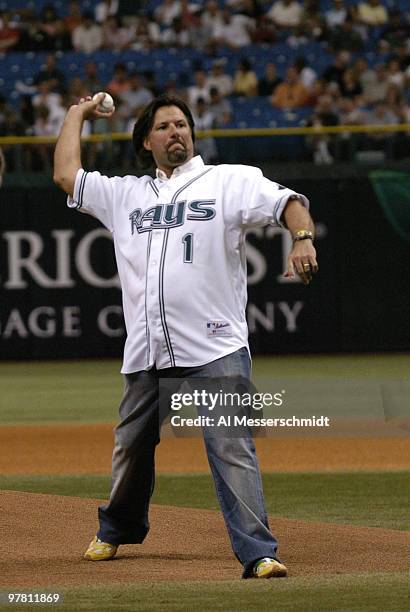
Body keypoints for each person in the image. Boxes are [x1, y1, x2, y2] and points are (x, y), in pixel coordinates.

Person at [53, 93, 318, 579]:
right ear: (147, 141)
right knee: (131, 446)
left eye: (182, 124)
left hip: (215, 345)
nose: (176, 131)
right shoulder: (126, 195)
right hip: (147, 349)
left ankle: (259, 552)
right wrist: (76, 115)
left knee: (230, 444)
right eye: (164, 127)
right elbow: (67, 175)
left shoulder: (228, 181)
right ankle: (118, 529)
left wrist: (302, 239)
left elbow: (289, 203)